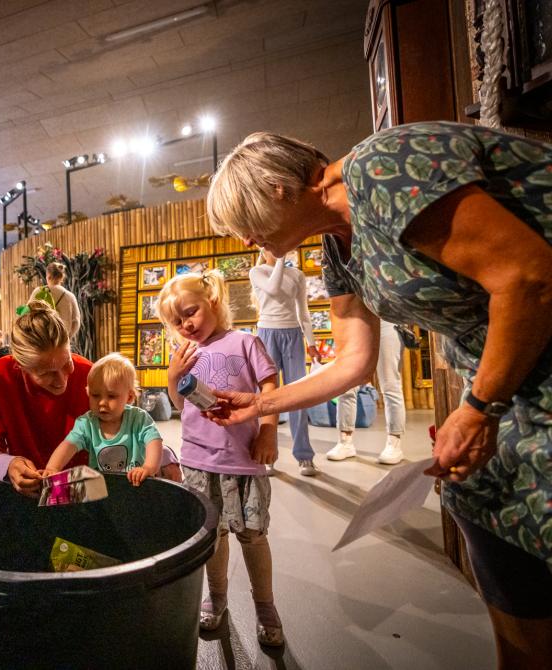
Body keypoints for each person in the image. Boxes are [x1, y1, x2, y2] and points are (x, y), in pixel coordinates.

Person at [206, 122, 552, 668]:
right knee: (484, 504)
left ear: (276, 188)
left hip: (527, 376)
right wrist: (260, 404)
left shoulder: (382, 168)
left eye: (244, 223)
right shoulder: (335, 249)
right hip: (511, 384)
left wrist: (481, 406)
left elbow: (529, 276)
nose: (247, 241)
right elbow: (353, 362)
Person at [156, 270, 284, 646]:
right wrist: (172, 376)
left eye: (190, 312)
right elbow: (183, 406)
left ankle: (265, 606)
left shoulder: (245, 342)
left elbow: (271, 388)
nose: (186, 325)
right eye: (176, 321)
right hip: (198, 461)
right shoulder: (184, 353)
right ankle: (216, 599)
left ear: (213, 299)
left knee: (253, 536)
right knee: (213, 537)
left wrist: (269, 430)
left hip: (242, 460)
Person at [0, 301, 181, 496]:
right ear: (20, 366)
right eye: (46, 373)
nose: (61, 380)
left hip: (88, 488)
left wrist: (164, 458)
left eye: (66, 363)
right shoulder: (4, 375)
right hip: (35, 490)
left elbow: (127, 426)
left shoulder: (88, 374)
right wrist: (9, 465)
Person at [249, 248, 320, 476]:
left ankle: (304, 455)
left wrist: (311, 343)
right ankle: (267, 454)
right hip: (267, 333)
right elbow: (272, 287)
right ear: (263, 248)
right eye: (271, 246)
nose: (278, 249)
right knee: (269, 396)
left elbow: (303, 310)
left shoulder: (297, 275)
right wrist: (280, 257)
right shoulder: (257, 271)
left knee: (297, 395)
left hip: (292, 334)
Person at [44, 352, 164, 486]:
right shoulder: (86, 423)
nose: (102, 402)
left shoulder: (139, 419)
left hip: (136, 484)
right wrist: (52, 468)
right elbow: (68, 445)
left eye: (111, 396)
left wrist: (148, 467)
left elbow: (154, 441)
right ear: (88, 393)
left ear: (129, 397)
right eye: (95, 395)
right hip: (102, 488)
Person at [326, 319, 406, 464]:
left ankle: (394, 443)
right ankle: (345, 441)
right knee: (346, 386)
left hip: (387, 322)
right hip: (356, 325)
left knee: (390, 386)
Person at [30, 262, 81, 339]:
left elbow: (27, 314)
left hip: (41, 341)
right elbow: (76, 322)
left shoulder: (38, 292)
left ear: (48, 276)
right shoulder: (70, 296)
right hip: (62, 341)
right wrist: (67, 337)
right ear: (62, 277)